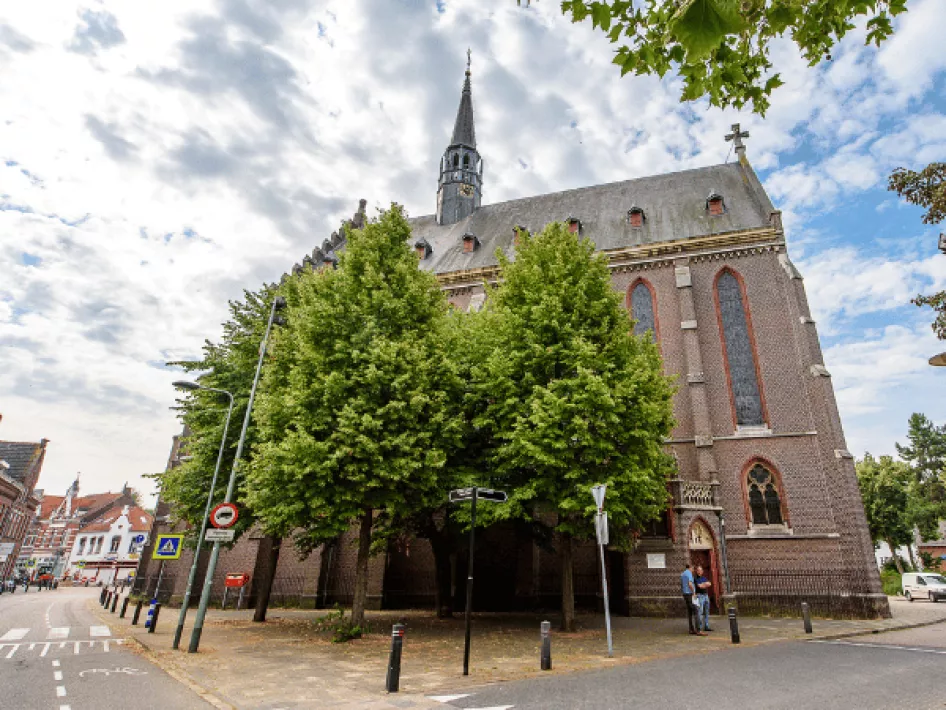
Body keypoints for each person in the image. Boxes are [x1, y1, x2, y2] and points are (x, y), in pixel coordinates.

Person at [680, 562, 705, 636]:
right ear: (690, 567)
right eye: (693, 568)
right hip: (690, 594)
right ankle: (698, 630)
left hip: (685, 594)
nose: (693, 570)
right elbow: (690, 584)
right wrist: (693, 592)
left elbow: (682, 585)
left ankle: (691, 629)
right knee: (696, 611)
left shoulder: (683, 574)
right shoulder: (689, 574)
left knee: (690, 612)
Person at [694, 565, 712, 632]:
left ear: (702, 571)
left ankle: (706, 626)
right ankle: (700, 627)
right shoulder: (695, 578)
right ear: (696, 571)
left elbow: (710, 584)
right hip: (700, 596)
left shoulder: (704, 578)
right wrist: (705, 584)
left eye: (701, 570)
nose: (699, 571)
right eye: (698, 570)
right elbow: (699, 586)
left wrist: (703, 584)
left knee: (707, 611)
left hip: (706, 596)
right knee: (700, 612)